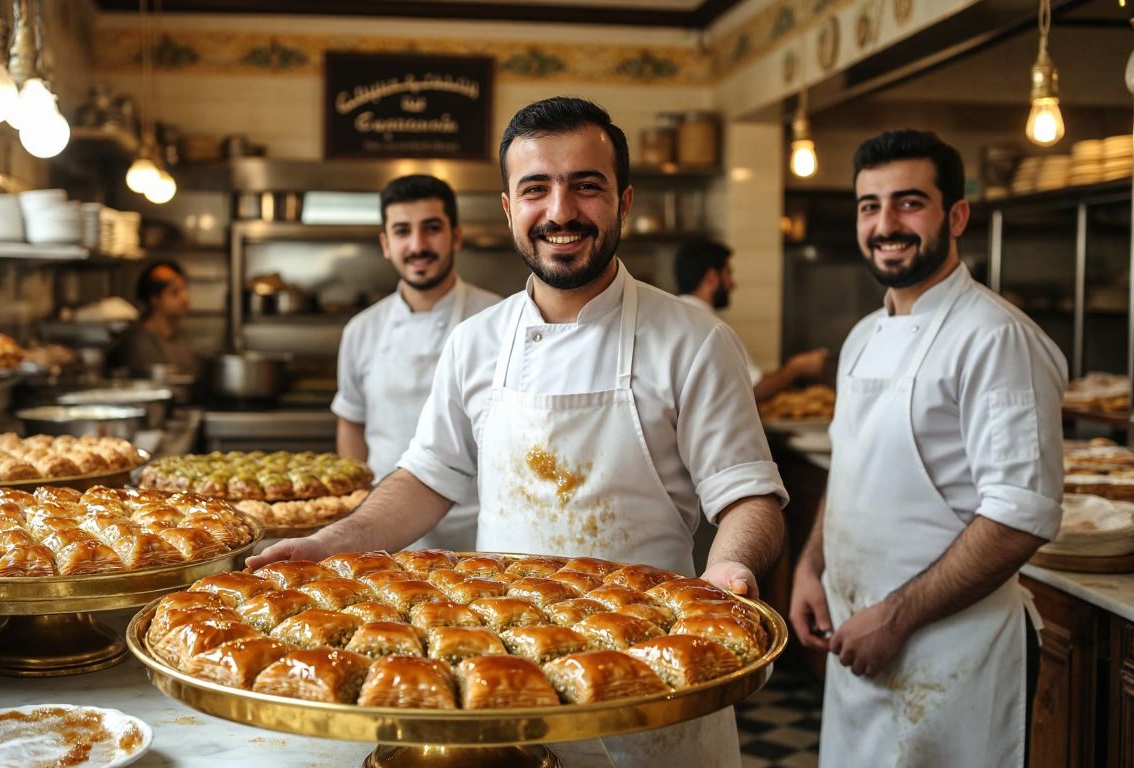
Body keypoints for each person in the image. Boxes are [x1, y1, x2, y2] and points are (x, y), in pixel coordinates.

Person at [251, 96, 788, 767]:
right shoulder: (477, 343)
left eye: (585, 186)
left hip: (654, 687)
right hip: (507, 689)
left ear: (623, 201)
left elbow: (749, 497)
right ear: (508, 209)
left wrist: (729, 566)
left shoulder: (694, 340)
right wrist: (328, 544)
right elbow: (425, 478)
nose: (561, 212)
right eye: (537, 189)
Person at [788, 130, 1065, 767]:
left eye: (909, 203)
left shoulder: (996, 338)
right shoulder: (861, 336)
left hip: (952, 651)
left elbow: (1021, 514)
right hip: (859, 635)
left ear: (956, 215)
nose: (886, 224)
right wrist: (813, 566)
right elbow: (851, 463)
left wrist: (899, 616)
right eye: (869, 206)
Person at [332, 175, 500, 550]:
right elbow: (352, 423)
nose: (417, 245)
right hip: (382, 532)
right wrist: (358, 507)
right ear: (386, 244)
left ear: (456, 236)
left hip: (477, 534)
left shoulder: (498, 321)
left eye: (432, 229)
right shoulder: (362, 330)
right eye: (403, 231)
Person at [674, 238, 828, 402]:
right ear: (712, 278)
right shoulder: (711, 328)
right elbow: (752, 389)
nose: (733, 285)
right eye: (729, 274)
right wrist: (796, 368)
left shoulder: (672, 318)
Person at [115, 259, 200, 380]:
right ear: (154, 299)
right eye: (174, 292)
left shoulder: (179, 336)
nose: (185, 299)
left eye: (185, 290)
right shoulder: (139, 342)